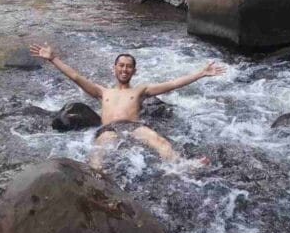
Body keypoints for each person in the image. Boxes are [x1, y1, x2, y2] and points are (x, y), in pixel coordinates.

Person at [30, 43, 226, 170]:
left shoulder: (140, 91)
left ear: (134, 71)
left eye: (128, 66)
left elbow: (173, 83)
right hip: (109, 128)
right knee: (99, 150)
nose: (124, 69)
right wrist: (53, 58)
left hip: (134, 127)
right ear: (114, 68)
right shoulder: (102, 92)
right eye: (121, 65)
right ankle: (96, 179)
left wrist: (201, 73)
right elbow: (76, 77)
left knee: (158, 140)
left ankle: (182, 166)